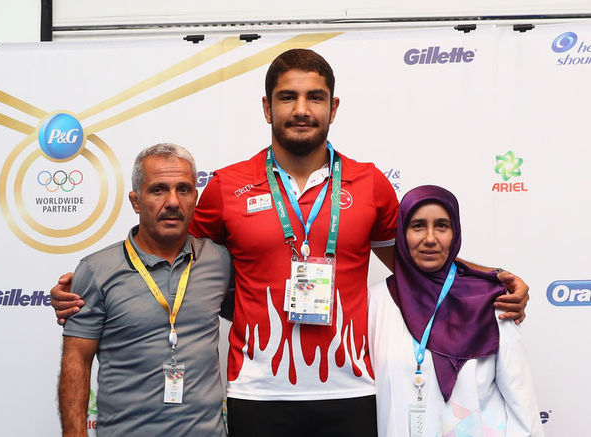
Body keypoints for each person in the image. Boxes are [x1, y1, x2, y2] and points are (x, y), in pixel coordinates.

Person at [52, 50, 529, 436]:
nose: (302, 110)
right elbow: (168, 250)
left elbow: (416, 262)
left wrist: (490, 280)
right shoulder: (226, 186)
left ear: (333, 108)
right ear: (267, 108)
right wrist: (90, 286)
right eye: (288, 97)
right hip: (256, 393)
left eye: (315, 97)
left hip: (352, 390)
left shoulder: (369, 183)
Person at [58, 143, 231, 436]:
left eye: (184, 189)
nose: (173, 201)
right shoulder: (97, 270)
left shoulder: (219, 260)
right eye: (158, 190)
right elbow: (76, 362)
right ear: (136, 201)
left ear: (195, 198)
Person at [368, 185, 543, 436]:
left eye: (442, 226)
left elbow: (521, 400)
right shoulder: (377, 301)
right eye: (417, 226)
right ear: (402, 234)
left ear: (455, 233)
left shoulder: (491, 300)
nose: (430, 238)